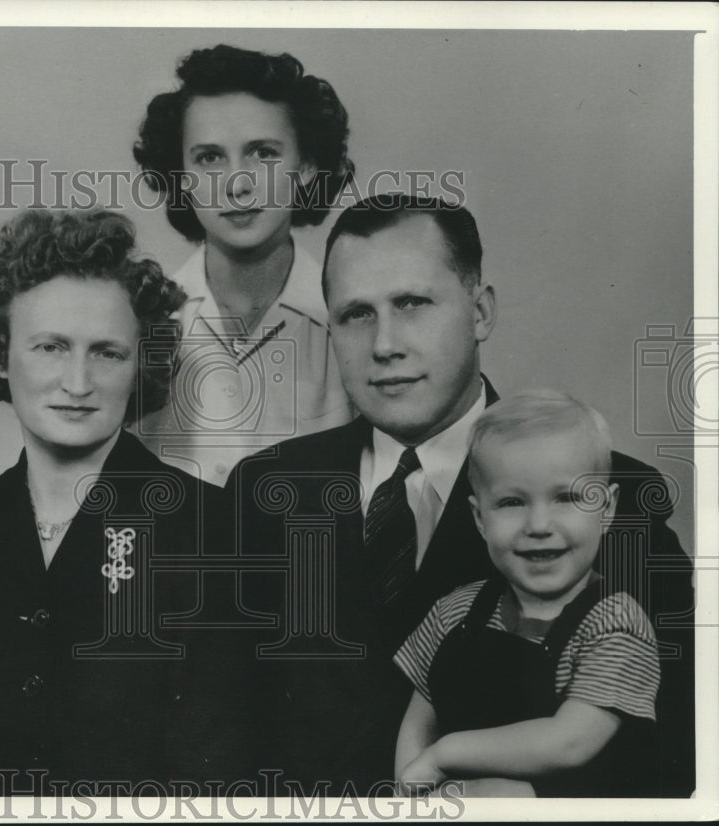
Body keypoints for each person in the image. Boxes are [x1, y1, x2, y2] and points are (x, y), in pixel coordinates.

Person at [227, 195, 694, 796]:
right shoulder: (265, 488)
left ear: (480, 313)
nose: (384, 344)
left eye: (412, 304)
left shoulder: (610, 492)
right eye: (355, 315)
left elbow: (678, 747)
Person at [0, 209, 239, 796]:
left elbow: (218, 770)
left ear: (140, 365)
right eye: (50, 347)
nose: (77, 382)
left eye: (107, 353)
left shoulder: (209, 528)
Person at [394, 390, 660, 797]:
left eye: (566, 498)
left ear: (606, 510)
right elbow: (419, 718)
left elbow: (569, 742)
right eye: (512, 502)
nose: (538, 524)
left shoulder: (615, 623)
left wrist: (445, 755)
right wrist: (410, 792)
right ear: (479, 519)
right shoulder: (456, 611)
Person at [133, 44, 355, 487]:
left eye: (263, 153)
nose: (237, 184)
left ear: (307, 166)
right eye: (209, 158)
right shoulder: (141, 323)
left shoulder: (352, 320)